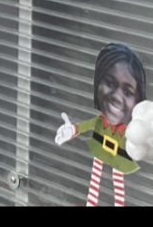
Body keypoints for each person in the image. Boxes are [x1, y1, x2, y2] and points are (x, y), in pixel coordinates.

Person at [56, 43, 147, 207]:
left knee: (118, 184)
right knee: (95, 178)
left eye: (128, 92)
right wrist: (73, 129)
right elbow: (88, 125)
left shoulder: (129, 133)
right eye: (110, 84)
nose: (117, 97)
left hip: (119, 157)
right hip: (100, 150)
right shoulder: (101, 122)